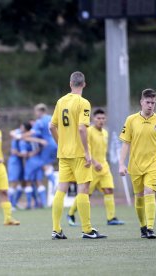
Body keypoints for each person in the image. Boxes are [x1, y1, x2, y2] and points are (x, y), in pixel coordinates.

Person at [49, 71, 107, 239]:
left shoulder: (61, 101)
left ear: (70, 84)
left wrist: (60, 143)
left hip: (64, 153)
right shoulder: (83, 103)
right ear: (84, 84)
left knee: (61, 190)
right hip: (79, 154)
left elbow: (51, 126)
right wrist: (87, 153)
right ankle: (87, 230)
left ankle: (56, 229)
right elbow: (82, 128)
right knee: (83, 189)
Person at [119, 88, 156, 239]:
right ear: (141, 102)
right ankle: (142, 226)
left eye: (153, 103)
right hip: (135, 165)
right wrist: (122, 164)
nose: (150, 105)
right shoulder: (131, 120)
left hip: (154, 163)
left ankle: (150, 228)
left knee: (149, 192)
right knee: (139, 196)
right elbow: (126, 143)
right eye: (147, 102)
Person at [67, 109, 124, 226]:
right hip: (91, 167)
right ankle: (71, 213)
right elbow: (83, 149)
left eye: (103, 118)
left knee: (109, 190)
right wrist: (94, 162)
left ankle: (111, 218)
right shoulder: (88, 131)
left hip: (104, 167)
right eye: (98, 118)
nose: (101, 121)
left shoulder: (105, 132)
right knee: (86, 194)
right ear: (93, 119)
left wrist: (101, 163)